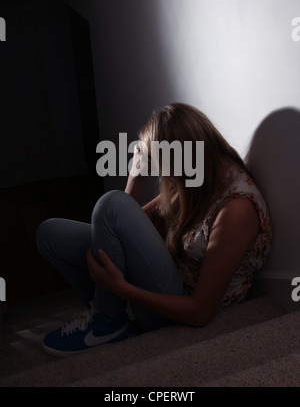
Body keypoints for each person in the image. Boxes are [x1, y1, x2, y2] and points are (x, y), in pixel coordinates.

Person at [36, 103, 272, 357]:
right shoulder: (199, 177)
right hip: (161, 284)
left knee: (111, 203)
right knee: (51, 234)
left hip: (178, 315)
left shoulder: (237, 208)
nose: (162, 173)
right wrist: (134, 178)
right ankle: (108, 315)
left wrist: (121, 289)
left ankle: (107, 321)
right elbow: (118, 227)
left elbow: (200, 311)